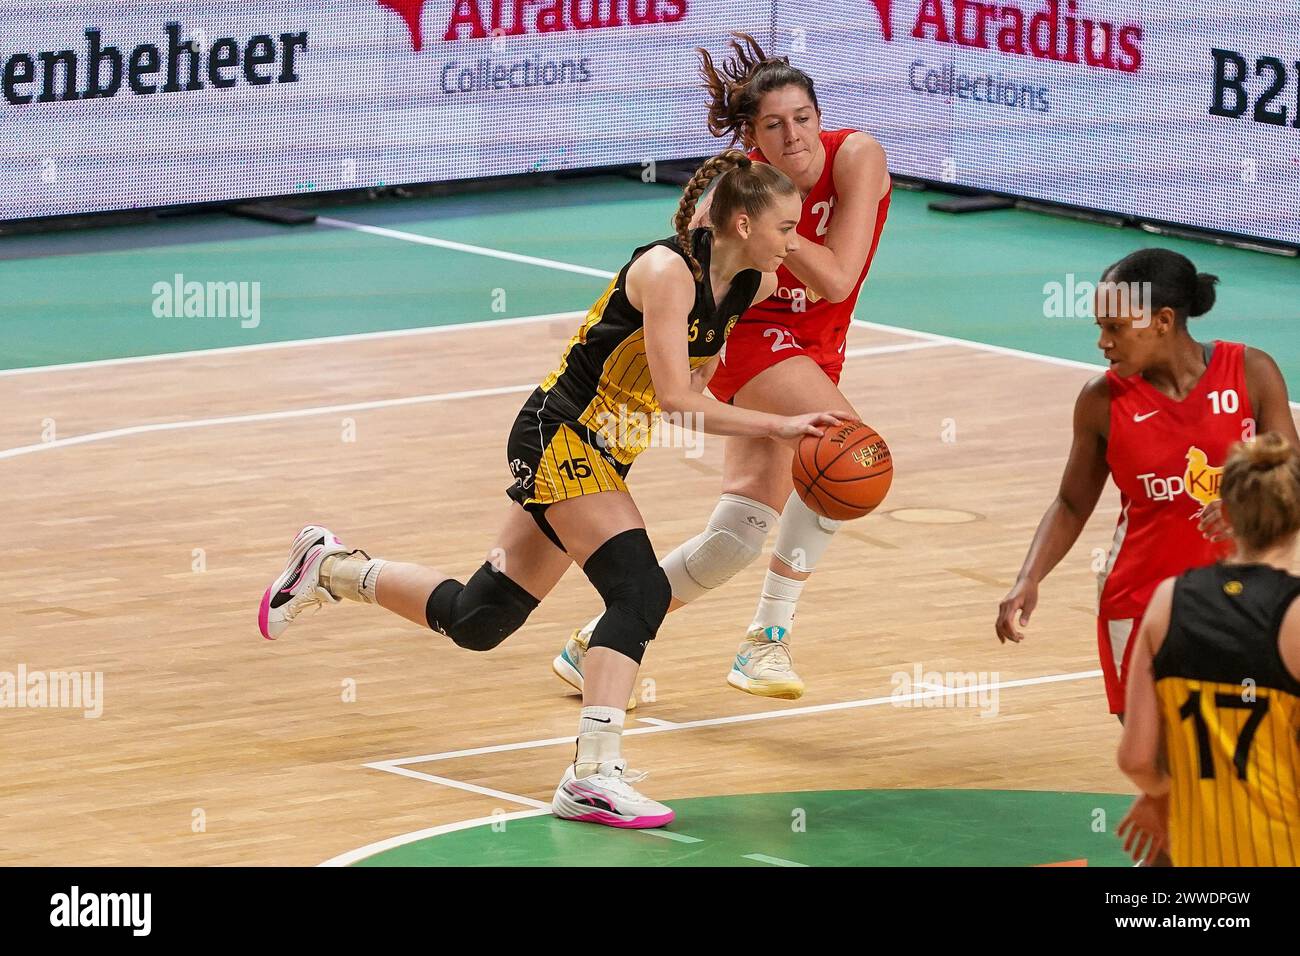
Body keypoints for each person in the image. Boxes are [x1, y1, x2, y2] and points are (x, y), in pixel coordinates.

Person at [257, 149, 846, 829]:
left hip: (605, 451)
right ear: (742, 222)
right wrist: (780, 424)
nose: (793, 241)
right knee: (640, 591)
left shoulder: (747, 282)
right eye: (784, 228)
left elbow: (810, 299)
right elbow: (681, 402)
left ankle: (331, 567)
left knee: (479, 618)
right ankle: (593, 775)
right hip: (557, 435)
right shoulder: (667, 274)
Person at [555, 33, 892, 703]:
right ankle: (766, 642)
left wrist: (774, 222)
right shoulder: (737, 191)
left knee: (737, 536)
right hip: (756, 335)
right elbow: (694, 284)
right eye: (774, 125)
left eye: (802, 118)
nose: (793, 136)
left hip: (819, 339)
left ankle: (598, 638)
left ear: (821, 118)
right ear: (751, 137)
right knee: (845, 449)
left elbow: (838, 278)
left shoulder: (857, 156)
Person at [996, 248, 1299, 720]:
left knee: (1247, 764)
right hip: (1140, 601)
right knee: (1157, 765)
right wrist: (1028, 577)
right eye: (1100, 326)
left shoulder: (1250, 372)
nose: (1103, 342)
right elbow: (1072, 504)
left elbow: (1292, 476)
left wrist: (1246, 502)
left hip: (1247, 600)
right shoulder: (1101, 401)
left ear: (1162, 320)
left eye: (1114, 327)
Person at [1117, 433, 1300, 866]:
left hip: (1199, 855)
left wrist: (1163, 794)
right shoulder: (1294, 614)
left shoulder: (1167, 601)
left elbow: (1137, 758)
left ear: (1227, 512)